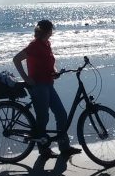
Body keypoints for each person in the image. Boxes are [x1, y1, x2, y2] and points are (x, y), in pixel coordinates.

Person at [13, 20, 82, 157]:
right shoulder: (34, 45)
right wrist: (26, 78)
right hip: (38, 86)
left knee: (61, 114)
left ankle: (64, 147)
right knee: (43, 117)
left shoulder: (46, 44)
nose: (52, 31)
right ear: (46, 31)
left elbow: (49, 63)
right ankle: (43, 149)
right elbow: (16, 59)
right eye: (51, 29)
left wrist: (55, 72)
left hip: (48, 84)